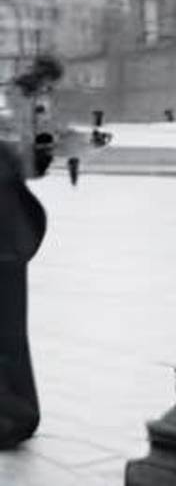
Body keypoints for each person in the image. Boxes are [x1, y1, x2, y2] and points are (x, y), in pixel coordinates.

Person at [0, 141, 46, 448]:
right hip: (9, 258)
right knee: (11, 342)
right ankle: (17, 412)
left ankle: (11, 415)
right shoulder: (4, 154)